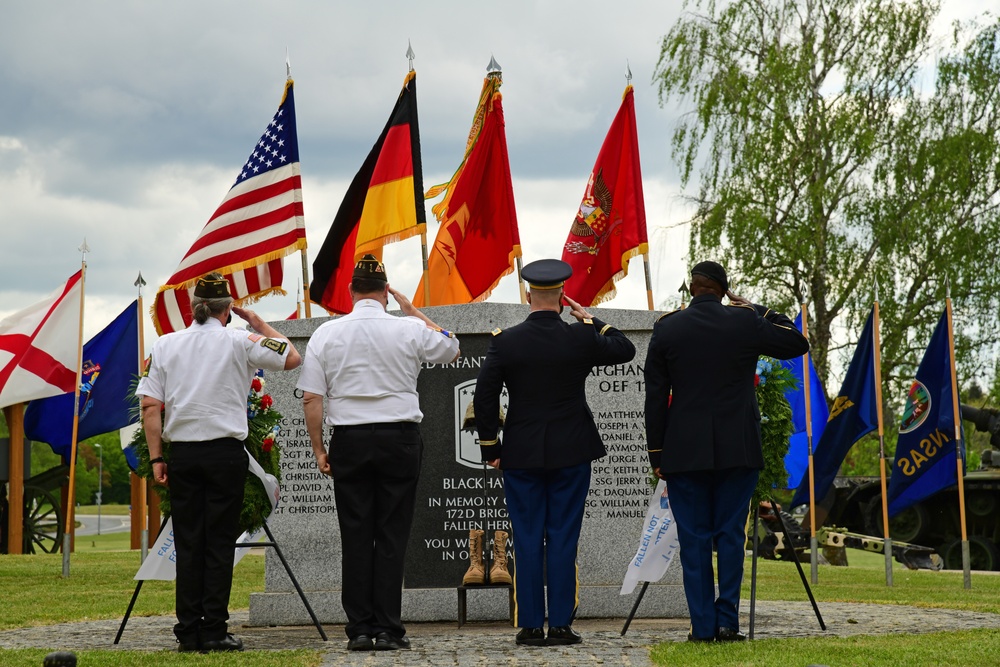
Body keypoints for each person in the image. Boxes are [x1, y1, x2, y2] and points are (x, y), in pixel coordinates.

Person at [298, 254, 460, 652]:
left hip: (350, 439)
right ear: (386, 291)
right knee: (392, 534)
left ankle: (360, 630)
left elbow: (312, 399)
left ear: (351, 292)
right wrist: (415, 311)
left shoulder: (326, 333)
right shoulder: (407, 328)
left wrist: (319, 448)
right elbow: (451, 348)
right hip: (398, 438)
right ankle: (388, 628)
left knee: (355, 535)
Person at [474, 258, 636, 647]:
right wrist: (592, 319)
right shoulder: (580, 337)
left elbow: (484, 396)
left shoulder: (506, 340)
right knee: (563, 536)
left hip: (523, 452)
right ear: (563, 297)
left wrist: (491, 446)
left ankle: (531, 625)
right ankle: (561, 624)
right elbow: (625, 349)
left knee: (527, 536)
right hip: (571, 450)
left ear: (528, 295)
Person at [643, 260, 809, 642]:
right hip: (739, 449)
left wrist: (657, 453)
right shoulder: (744, 321)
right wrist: (756, 308)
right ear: (724, 290)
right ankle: (726, 623)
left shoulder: (668, 327)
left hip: (684, 452)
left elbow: (655, 396)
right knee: (731, 536)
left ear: (691, 289)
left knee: (694, 539)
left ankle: (702, 627)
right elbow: (796, 342)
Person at [136, 274, 301, 653]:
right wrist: (257, 323)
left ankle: (188, 629)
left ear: (195, 308)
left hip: (184, 455)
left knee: (190, 541)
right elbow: (291, 357)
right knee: (219, 542)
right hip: (224, 453)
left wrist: (158, 456)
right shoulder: (239, 339)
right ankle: (214, 629)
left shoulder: (165, 344)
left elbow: (150, 406)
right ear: (228, 309)